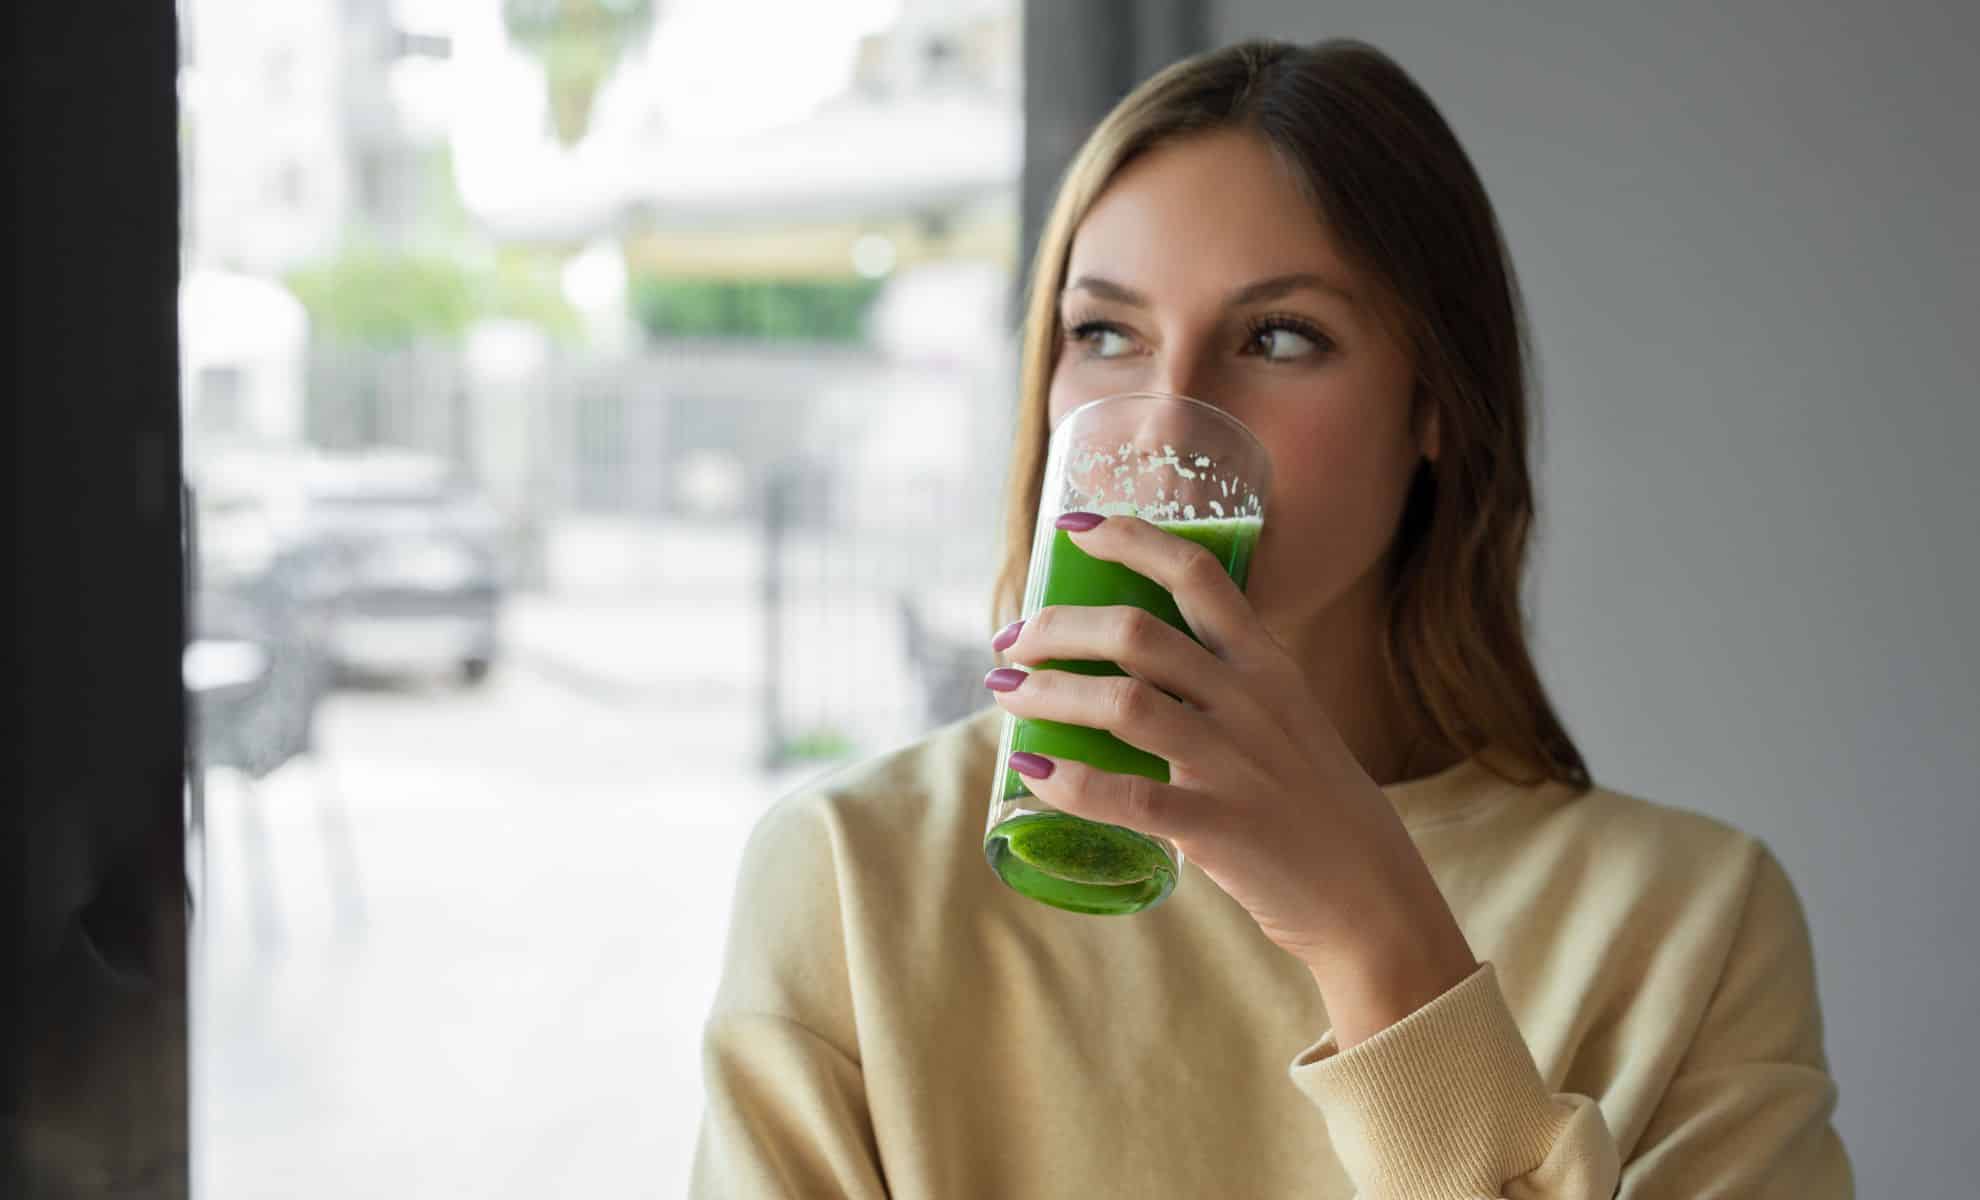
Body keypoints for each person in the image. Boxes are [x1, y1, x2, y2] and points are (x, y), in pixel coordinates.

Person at [691, 37, 1852, 1198]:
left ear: (1437, 405)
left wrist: (1372, 936)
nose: (1165, 425)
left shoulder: (1692, 928)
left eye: (1279, 337)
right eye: (1105, 334)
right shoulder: (853, 878)